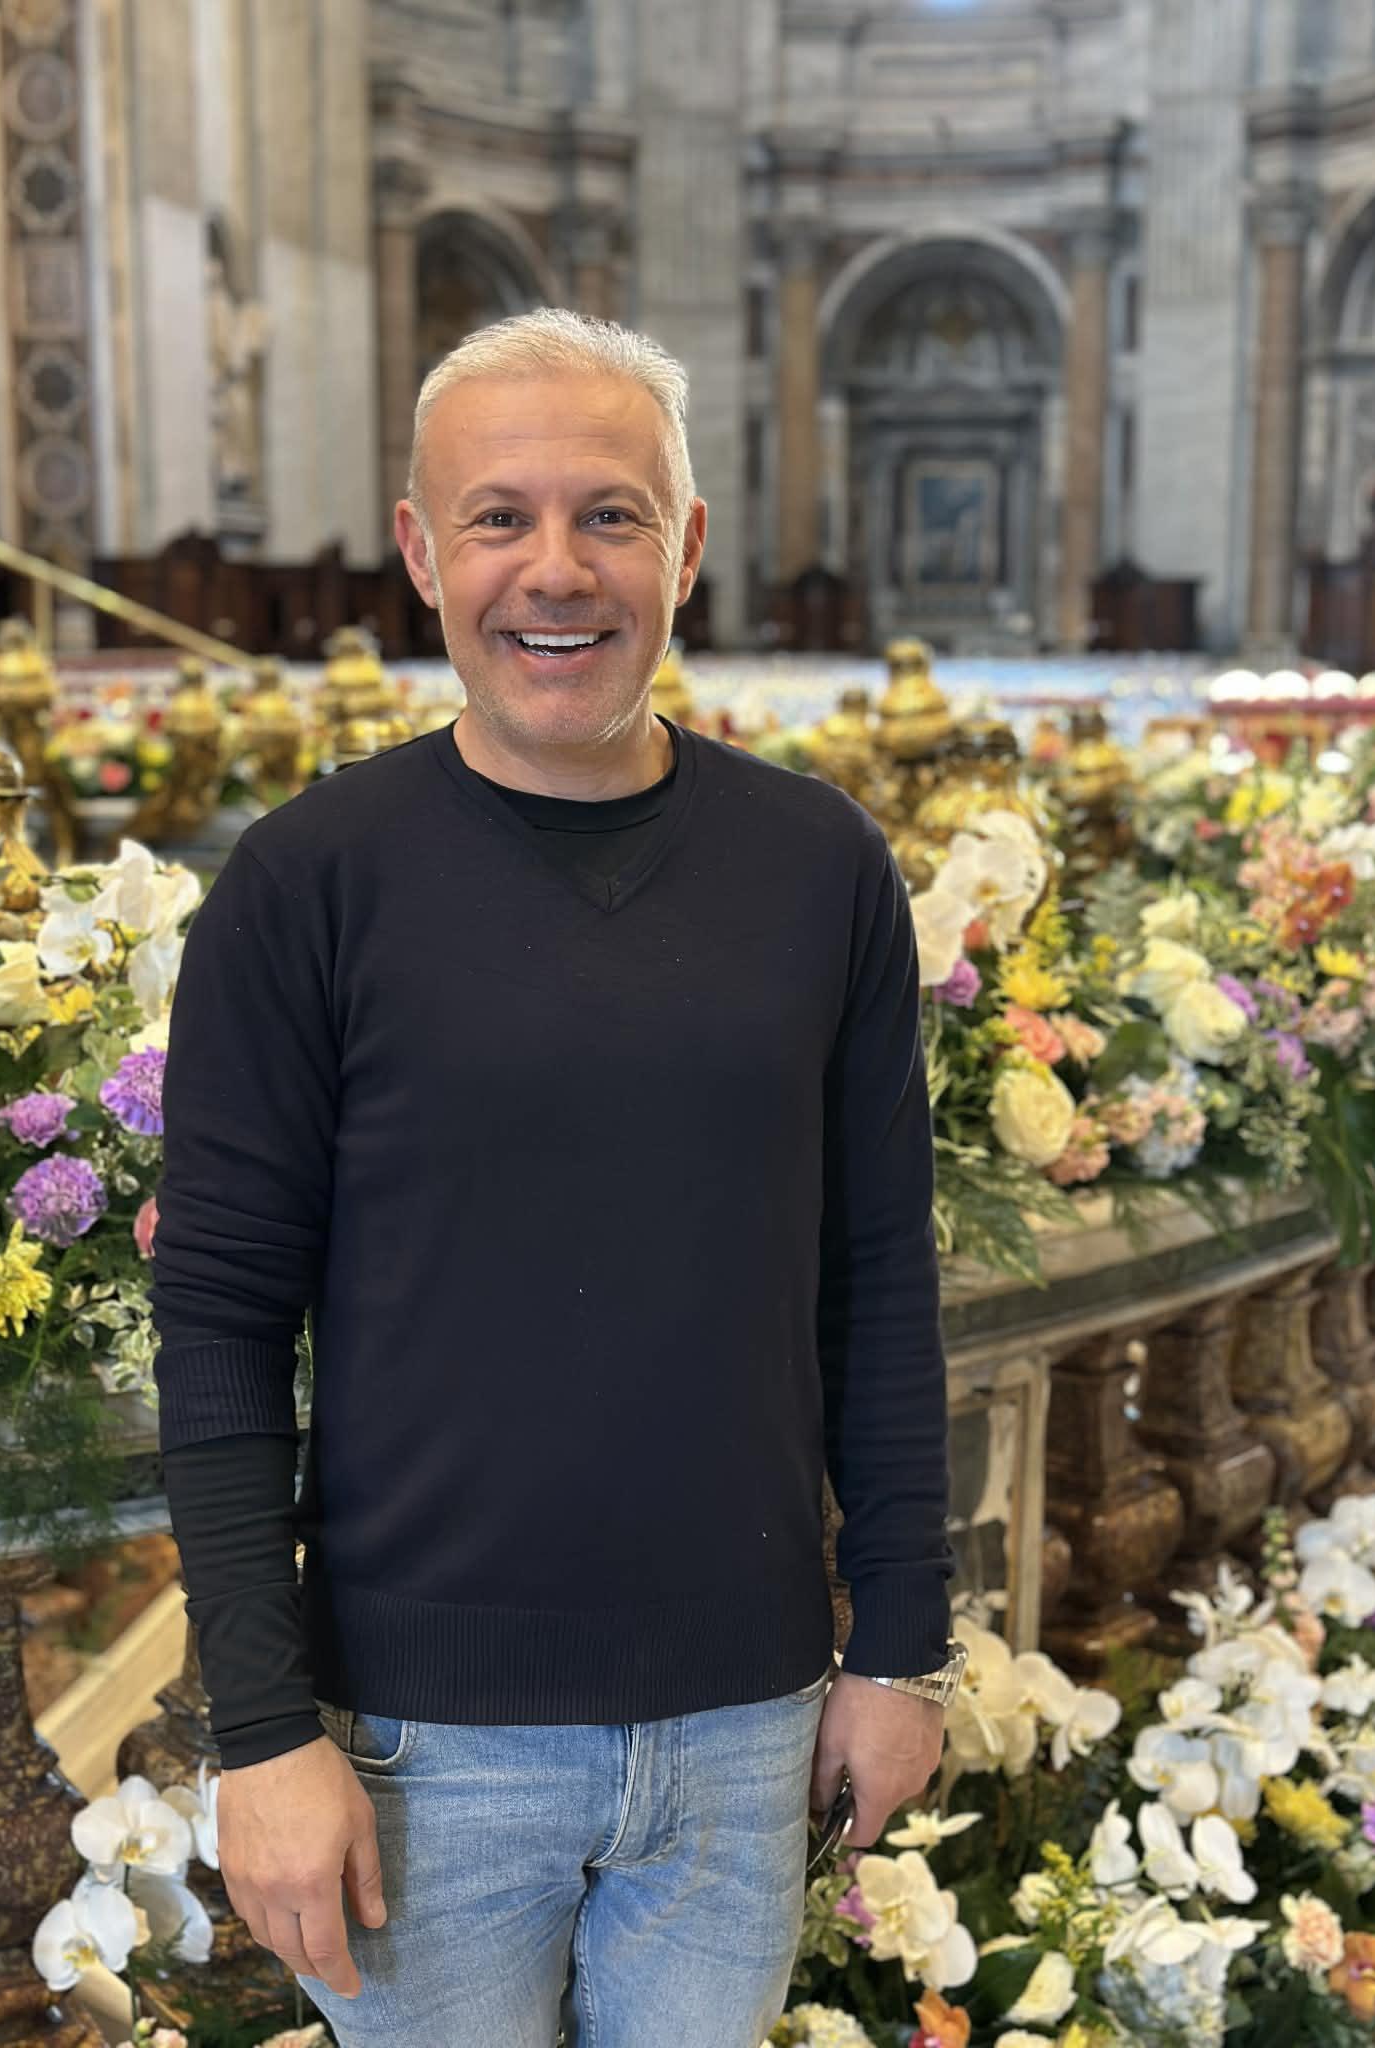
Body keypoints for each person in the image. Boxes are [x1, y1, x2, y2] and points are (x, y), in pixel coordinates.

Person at [151, 309, 960, 2048]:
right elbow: (217, 1330)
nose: (555, 570)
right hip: (416, 1744)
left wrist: (901, 1646)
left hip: (747, 1719)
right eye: (500, 517)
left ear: (684, 546)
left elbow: (880, 1274)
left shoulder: (819, 866)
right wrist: (261, 1733)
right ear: (422, 552)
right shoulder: (305, 887)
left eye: (608, 513)